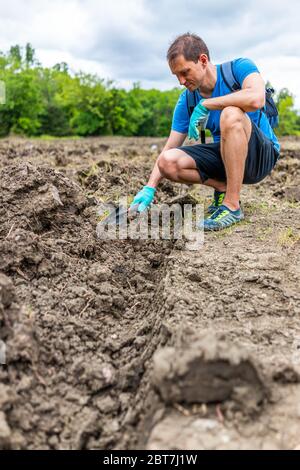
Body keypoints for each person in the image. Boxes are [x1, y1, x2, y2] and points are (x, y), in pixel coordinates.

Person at [131, 33, 280, 231]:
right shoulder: (187, 100)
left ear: (203, 60)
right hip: (226, 157)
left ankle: (232, 206)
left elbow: (256, 98)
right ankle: (221, 186)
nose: (181, 81)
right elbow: (170, 146)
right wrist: (149, 187)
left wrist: (208, 105)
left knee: (231, 113)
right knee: (167, 161)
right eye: (176, 76)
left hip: (260, 156)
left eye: (185, 72)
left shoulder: (238, 68)